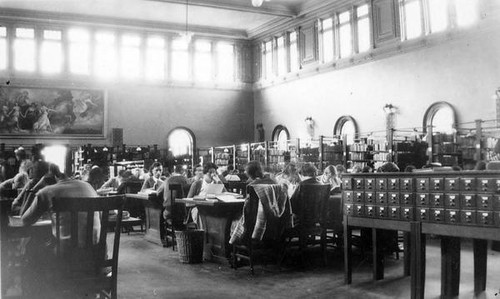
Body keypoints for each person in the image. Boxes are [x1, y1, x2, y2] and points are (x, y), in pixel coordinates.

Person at [20, 165, 101, 297]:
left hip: (67, 256)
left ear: (47, 177)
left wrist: (34, 189)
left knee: (31, 250)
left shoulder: (46, 191)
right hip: (97, 253)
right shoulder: (87, 186)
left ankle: (40, 293)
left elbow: (24, 220)